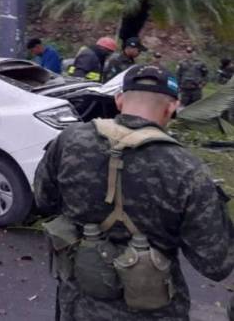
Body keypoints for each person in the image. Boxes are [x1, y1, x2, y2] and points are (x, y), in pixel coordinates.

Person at [35, 64, 234, 320]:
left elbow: (43, 200)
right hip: (154, 311)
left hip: (78, 303)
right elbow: (215, 264)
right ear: (172, 106)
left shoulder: (68, 141)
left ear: (119, 100)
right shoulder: (186, 168)